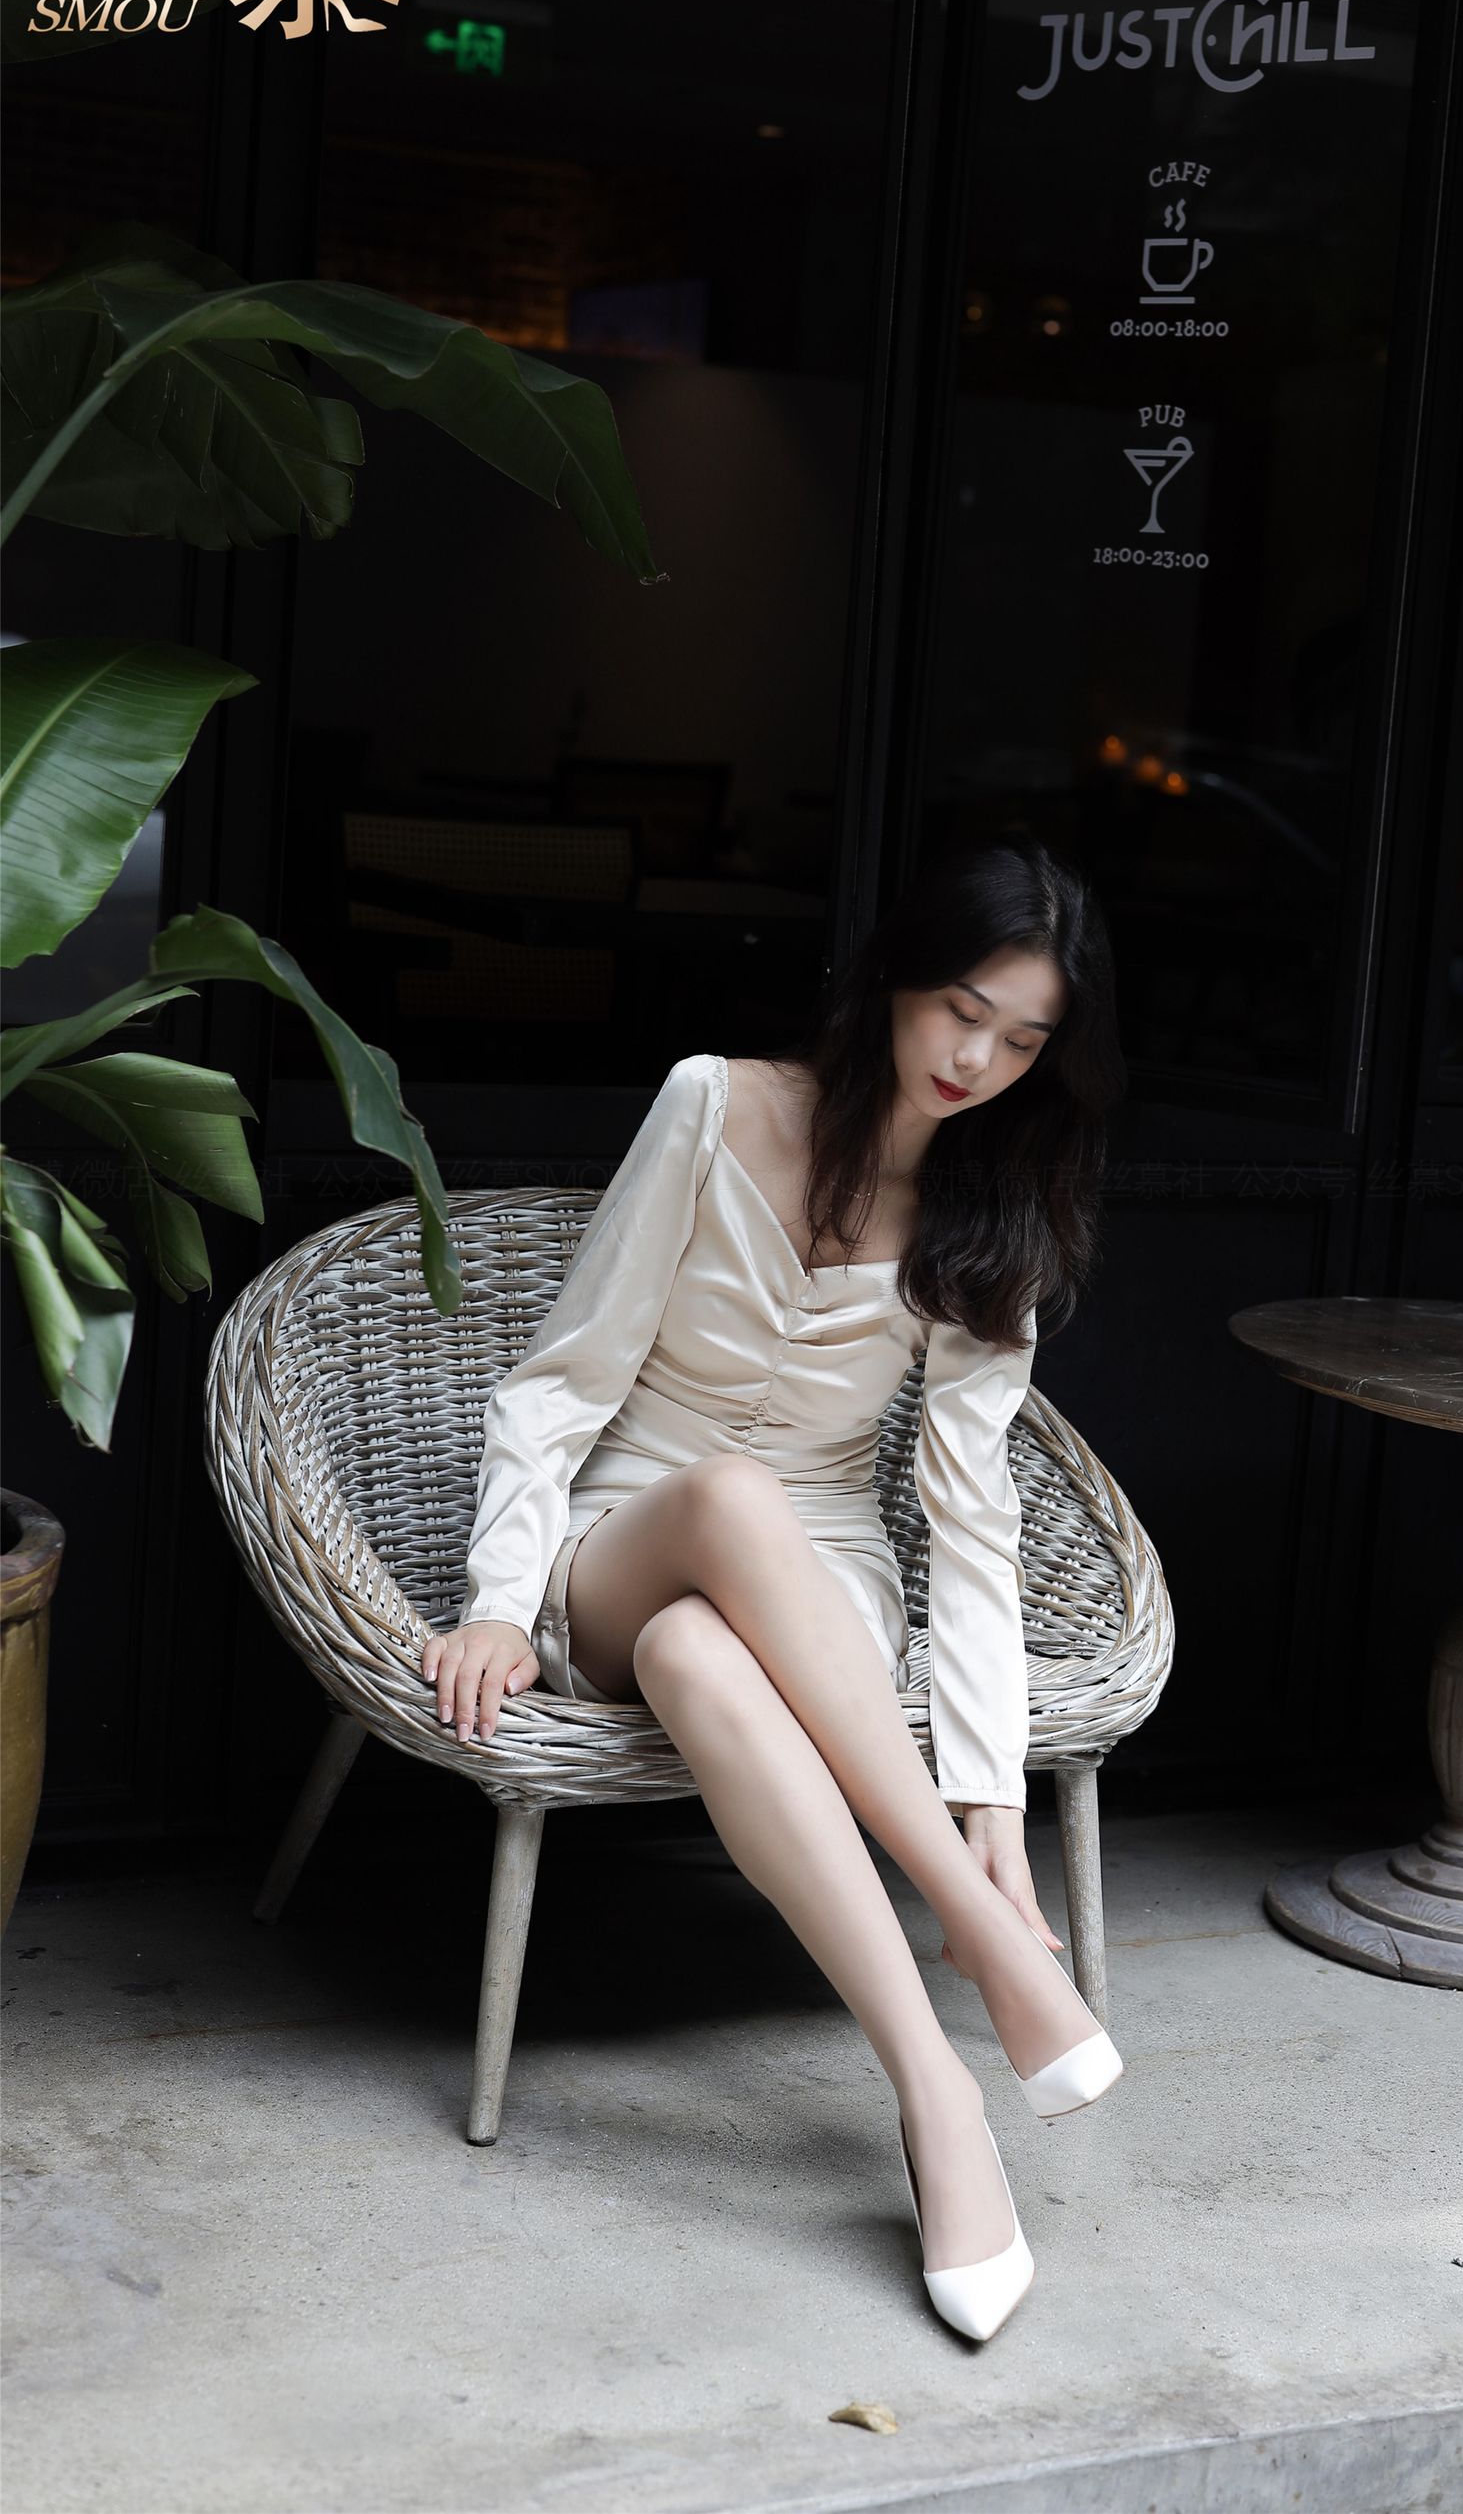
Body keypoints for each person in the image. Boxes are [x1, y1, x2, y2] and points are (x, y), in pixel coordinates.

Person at [422, 831, 1129, 2340]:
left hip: (827, 1580)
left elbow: (973, 1518)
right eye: (962, 1011)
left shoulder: (994, 1208)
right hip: (627, 1530)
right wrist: (494, 1597)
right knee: (723, 1509)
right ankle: (978, 1939)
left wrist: (995, 1799)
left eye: (1022, 1041)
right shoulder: (716, 1102)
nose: (978, 1062)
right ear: (898, 975)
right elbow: (564, 1377)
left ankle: (937, 2093)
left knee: (702, 1651)